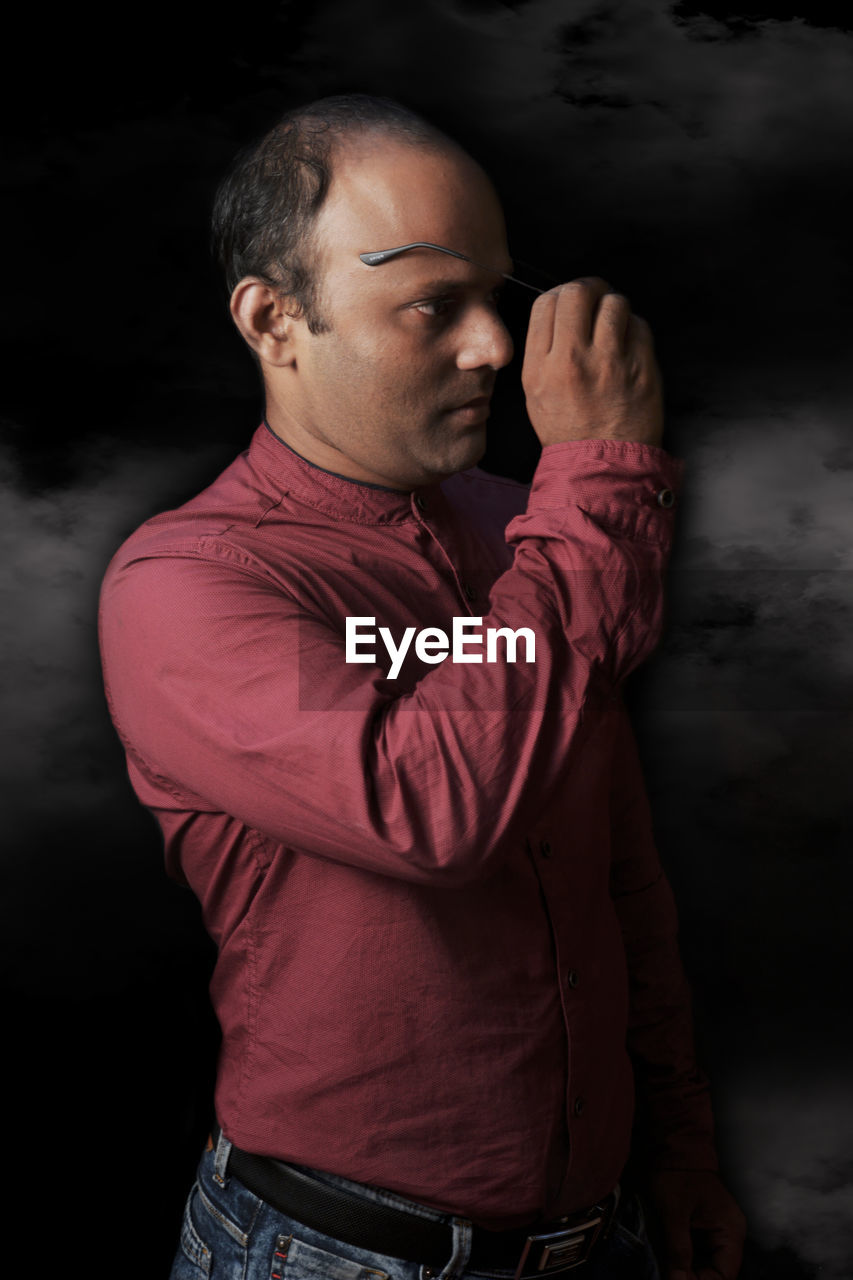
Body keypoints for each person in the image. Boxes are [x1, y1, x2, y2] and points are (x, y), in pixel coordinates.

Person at [98, 94, 746, 1279]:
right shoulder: (185, 586)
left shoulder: (531, 531)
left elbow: (616, 873)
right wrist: (599, 483)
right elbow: (427, 810)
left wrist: (680, 1142)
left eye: (495, 296)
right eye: (433, 303)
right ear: (275, 320)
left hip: (603, 1234)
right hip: (339, 1251)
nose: (494, 344)